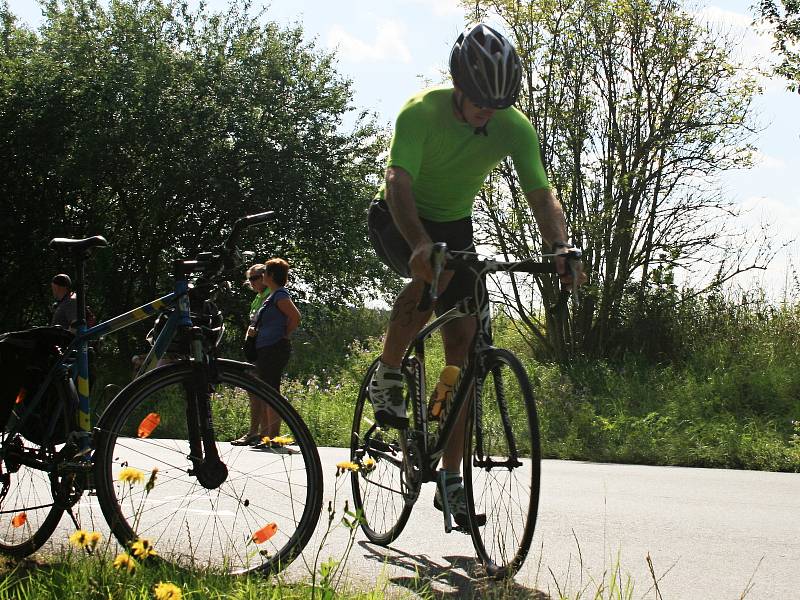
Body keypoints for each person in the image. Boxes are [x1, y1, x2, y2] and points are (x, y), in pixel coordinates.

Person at [367, 23, 585, 527]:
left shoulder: (513, 125)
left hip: (455, 224)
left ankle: (450, 477)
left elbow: (540, 193)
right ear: (459, 86)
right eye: (480, 101)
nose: (488, 112)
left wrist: (559, 246)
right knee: (429, 280)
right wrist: (419, 243)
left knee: (462, 350)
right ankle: (389, 372)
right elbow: (398, 179)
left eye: (499, 103)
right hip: (400, 216)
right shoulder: (422, 111)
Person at [251, 258, 300, 447]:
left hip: (274, 348)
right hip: (266, 347)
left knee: (271, 391)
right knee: (267, 390)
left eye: (264, 273)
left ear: (270, 275)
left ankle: (274, 437)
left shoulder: (280, 295)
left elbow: (295, 317)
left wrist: (284, 334)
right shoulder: (272, 295)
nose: (262, 276)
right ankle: (268, 437)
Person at [231, 264, 272, 446]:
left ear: (265, 276)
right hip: (254, 348)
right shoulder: (258, 298)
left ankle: (259, 433)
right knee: (254, 391)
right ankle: (257, 432)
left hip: (265, 348)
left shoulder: (272, 295)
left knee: (260, 391)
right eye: (250, 279)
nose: (252, 282)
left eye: (255, 278)